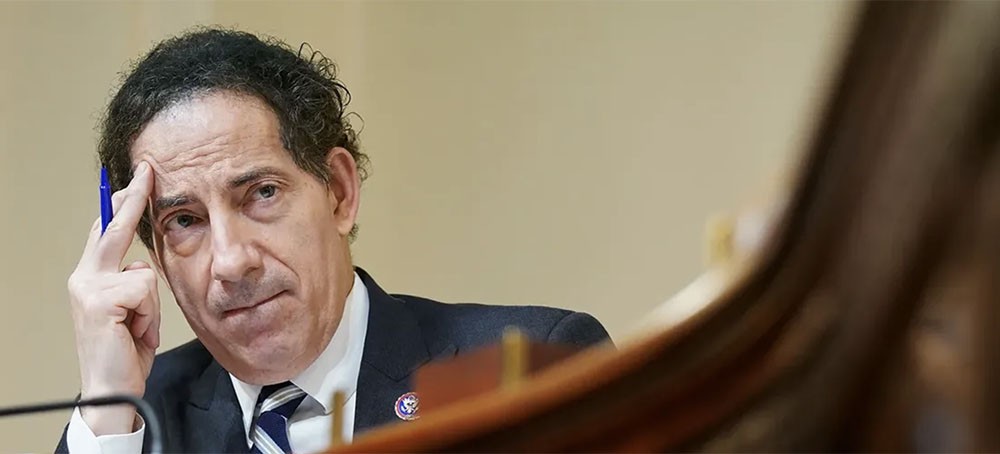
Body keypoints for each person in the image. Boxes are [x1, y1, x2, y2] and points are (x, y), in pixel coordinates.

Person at [55, 28, 611, 454]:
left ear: (340, 193)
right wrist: (108, 405)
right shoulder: (135, 425)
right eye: (183, 221)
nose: (230, 261)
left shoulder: (527, 368)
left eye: (261, 193)